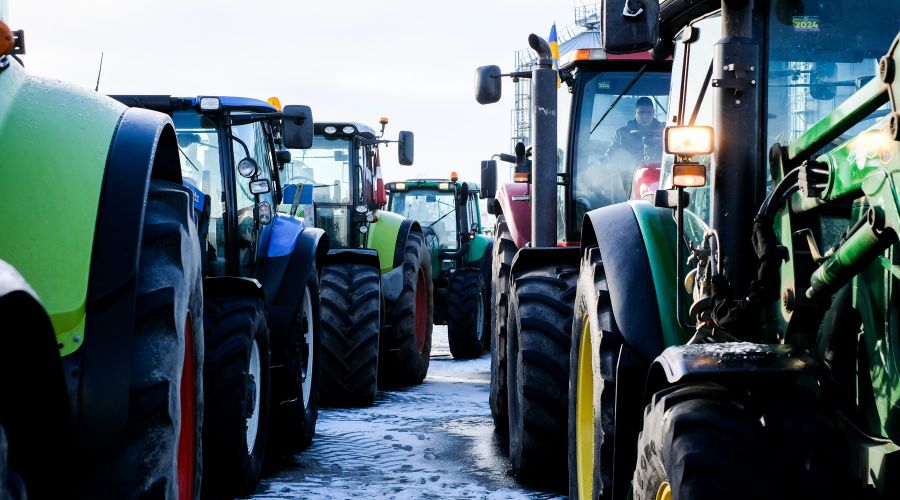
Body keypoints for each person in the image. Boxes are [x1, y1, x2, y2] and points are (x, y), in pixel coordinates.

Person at [605, 96, 664, 161]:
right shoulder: (621, 134)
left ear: (653, 113)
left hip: (660, 170)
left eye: (649, 112)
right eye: (641, 112)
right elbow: (609, 157)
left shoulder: (665, 132)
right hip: (628, 170)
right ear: (635, 113)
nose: (645, 116)